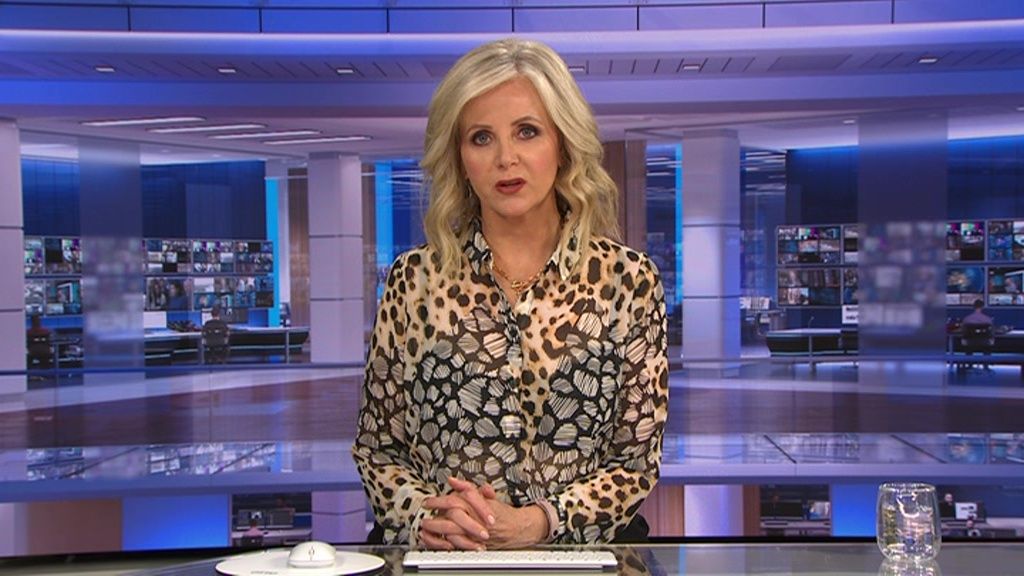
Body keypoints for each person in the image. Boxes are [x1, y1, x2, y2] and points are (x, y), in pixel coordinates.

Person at [351, 38, 668, 550]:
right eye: (481, 138)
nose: (506, 158)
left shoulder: (627, 281)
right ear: (460, 157)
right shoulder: (414, 281)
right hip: (444, 555)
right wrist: (425, 517)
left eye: (527, 131)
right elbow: (378, 449)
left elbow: (635, 463)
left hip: (581, 553)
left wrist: (537, 522)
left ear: (563, 144)